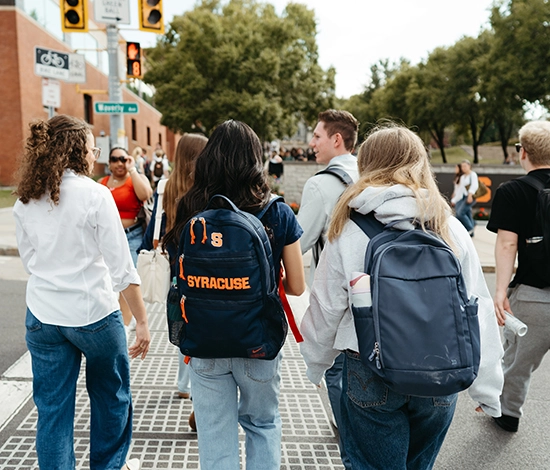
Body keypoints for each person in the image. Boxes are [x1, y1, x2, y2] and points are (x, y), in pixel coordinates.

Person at [300, 124, 504, 469]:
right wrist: (487, 387)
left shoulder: (348, 228)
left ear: (367, 165)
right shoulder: (448, 226)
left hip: (369, 366)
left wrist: (315, 363)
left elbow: (326, 307)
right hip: (441, 371)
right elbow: (475, 308)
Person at [163, 120, 306, 470]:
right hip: (258, 340)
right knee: (262, 424)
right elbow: (298, 286)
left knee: (214, 432)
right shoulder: (277, 211)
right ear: (255, 160)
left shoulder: (190, 207)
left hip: (205, 340)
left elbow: (178, 271)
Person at [13, 115, 150, 470]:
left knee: (53, 410)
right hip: (94, 315)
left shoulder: (25, 199)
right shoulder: (96, 194)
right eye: (93, 149)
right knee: (112, 397)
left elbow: (30, 262)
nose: (96, 155)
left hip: (43, 316)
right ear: (77, 152)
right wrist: (143, 322)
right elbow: (122, 267)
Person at [296, 109, 359, 469]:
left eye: (317, 136)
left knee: (334, 366)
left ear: (337, 140)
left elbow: (298, 242)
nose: (312, 143)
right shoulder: (369, 174)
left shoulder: (321, 183)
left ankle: (349, 435)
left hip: (336, 288)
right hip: (375, 287)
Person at [139, 133, 208, 419]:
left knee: (183, 322)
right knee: (202, 326)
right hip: (203, 265)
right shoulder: (206, 187)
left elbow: (155, 227)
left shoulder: (165, 185)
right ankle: (196, 388)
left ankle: (183, 383)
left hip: (175, 269)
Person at [487, 121, 550, 433]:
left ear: (523, 152)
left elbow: (507, 243)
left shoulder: (512, 192)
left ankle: (508, 413)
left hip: (534, 296)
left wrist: (500, 290)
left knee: (517, 362)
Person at [99, 147, 153, 332]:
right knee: (105, 282)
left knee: (127, 283)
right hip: (104, 240)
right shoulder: (102, 183)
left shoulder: (134, 179)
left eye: (123, 158)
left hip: (132, 237)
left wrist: (133, 169)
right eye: (115, 159)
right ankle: (109, 325)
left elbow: (145, 195)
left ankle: (124, 329)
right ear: (109, 163)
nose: (119, 163)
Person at [453, 159, 479, 236]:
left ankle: (470, 228)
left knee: (460, 213)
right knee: (467, 213)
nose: (463, 168)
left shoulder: (473, 174)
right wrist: (454, 200)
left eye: (465, 166)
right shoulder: (463, 177)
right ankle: (473, 224)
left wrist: (470, 195)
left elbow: (474, 185)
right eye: (462, 166)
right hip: (463, 197)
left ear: (469, 166)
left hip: (470, 196)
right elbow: (460, 190)